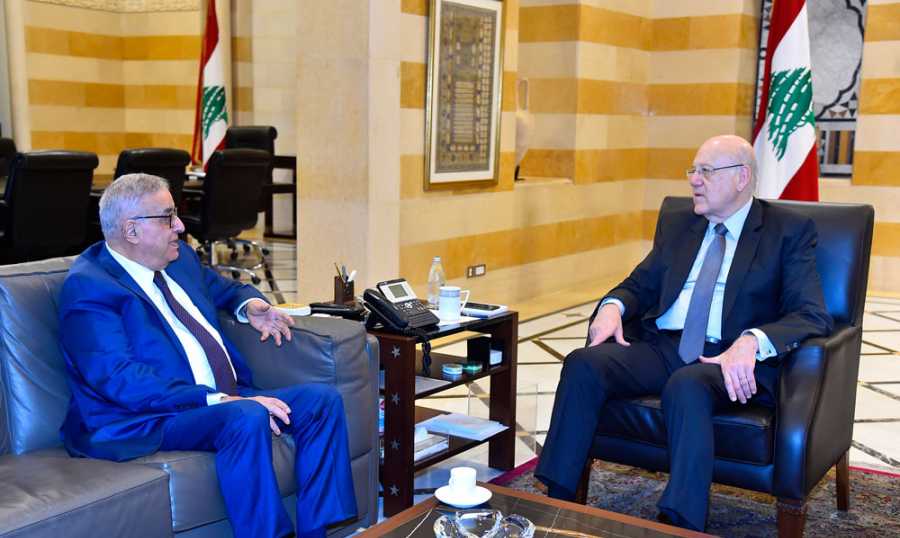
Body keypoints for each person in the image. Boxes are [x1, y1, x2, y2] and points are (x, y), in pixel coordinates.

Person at [535, 135, 833, 531]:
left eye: (706, 171)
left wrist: (751, 340)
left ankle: (682, 523)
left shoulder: (786, 231)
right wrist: (613, 306)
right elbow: (638, 285)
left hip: (727, 357)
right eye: (693, 170)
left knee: (687, 384)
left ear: (742, 177)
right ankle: (556, 504)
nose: (694, 180)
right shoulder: (681, 224)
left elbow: (811, 314)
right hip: (665, 347)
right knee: (583, 364)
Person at [58, 173, 356, 538]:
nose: (180, 227)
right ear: (131, 230)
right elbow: (121, 379)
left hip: (218, 399)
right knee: (244, 415)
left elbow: (224, 289)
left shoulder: (178, 258)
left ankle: (316, 532)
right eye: (168, 217)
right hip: (144, 417)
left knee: (322, 401)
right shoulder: (89, 288)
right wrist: (216, 399)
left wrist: (250, 305)